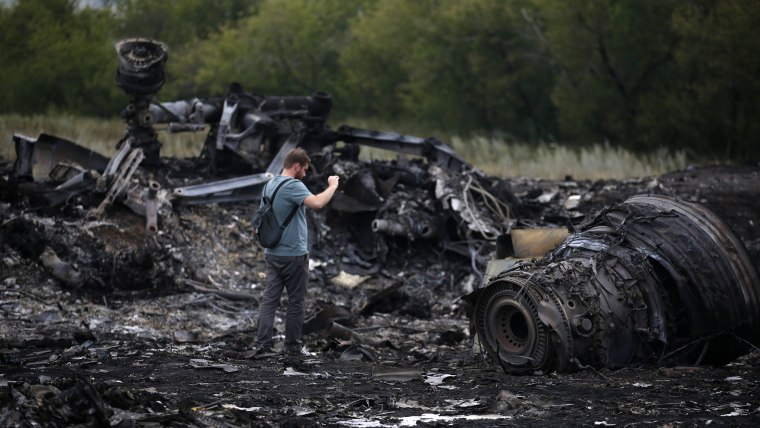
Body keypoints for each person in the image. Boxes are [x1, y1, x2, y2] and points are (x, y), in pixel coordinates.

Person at [254, 148, 339, 356]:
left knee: (269, 300)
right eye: (305, 170)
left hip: (272, 253)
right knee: (296, 302)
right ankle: (292, 347)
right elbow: (318, 202)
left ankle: (263, 345)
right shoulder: (293, 185)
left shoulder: (269, 185)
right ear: (297, 166)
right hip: (293, 255)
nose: (306, 174)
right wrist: (333, 185)